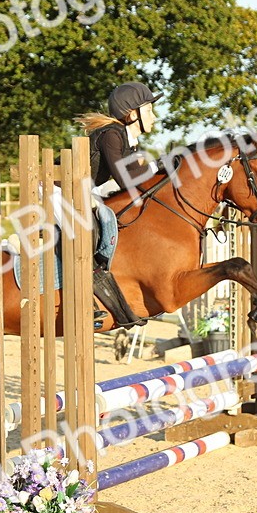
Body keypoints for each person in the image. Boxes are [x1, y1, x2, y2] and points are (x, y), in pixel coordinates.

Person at [74, 81, 162, 328]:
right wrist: (157, 166)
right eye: (149, 110)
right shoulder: (112, 134)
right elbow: (125, 179)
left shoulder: (129, 140)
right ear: (133, 114)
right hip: (57, 191)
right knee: (85, 230)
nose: (154, 116)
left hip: (81, 191)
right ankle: (82, 299)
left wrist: (160, 171)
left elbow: (140, 183)